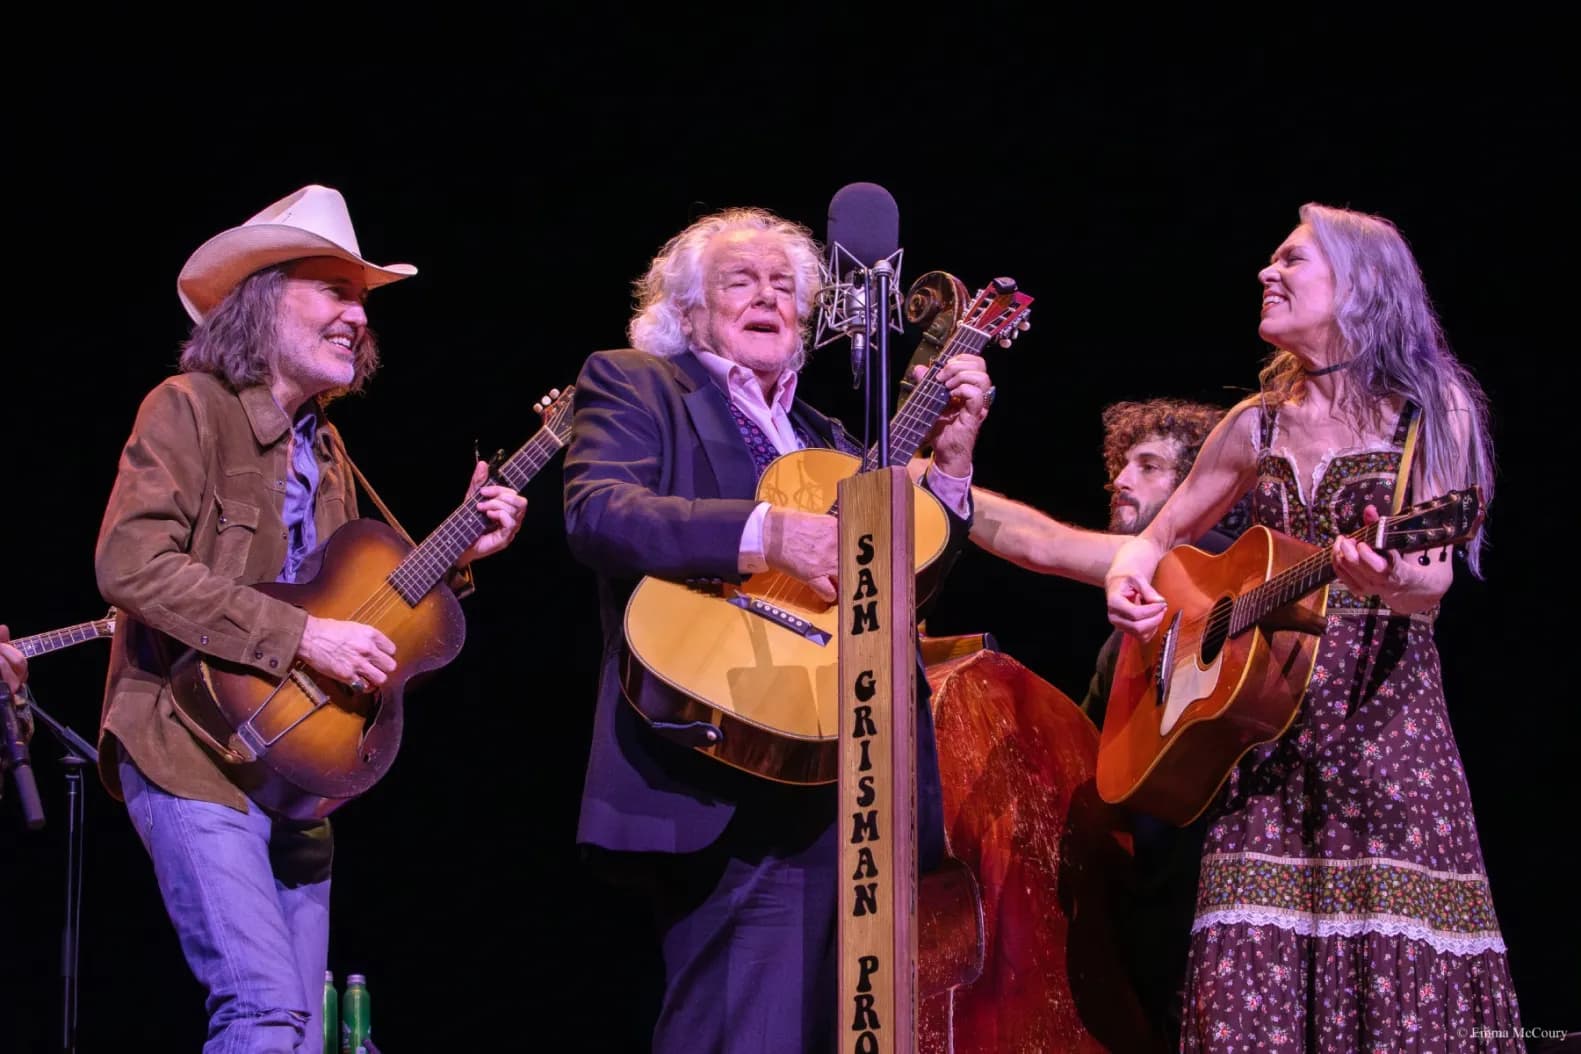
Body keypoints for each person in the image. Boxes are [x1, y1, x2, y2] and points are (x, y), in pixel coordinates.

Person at [93, 184, 527, 1052]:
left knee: (301, 1031)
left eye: (363, 300)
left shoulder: (326, 449)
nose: (358, 316)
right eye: (335, 290)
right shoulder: (188, 407)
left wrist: (465, 556)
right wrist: (303, 638)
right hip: (188, 745)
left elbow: (362, 597)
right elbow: (131, 564)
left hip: (296, 771)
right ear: (262, 299)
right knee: (262, 1011)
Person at [562, 206, 992, 1052]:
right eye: (740, 281)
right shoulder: (638, 383)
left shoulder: (828, 435)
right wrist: (767, 535)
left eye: (785, 285)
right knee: (740, 1025)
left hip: (846, 759)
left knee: (842, 1026)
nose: (768, 296)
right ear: (686, 312)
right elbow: (598, 513)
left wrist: (949, 469)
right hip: (716, 740)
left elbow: (901, 588)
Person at [1105, 204, 1520, 1049]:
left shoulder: (1427, 406)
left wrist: (1389, 574)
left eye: (1291, 261)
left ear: (1361, 287)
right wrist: (1126, 578)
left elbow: (1429, 581)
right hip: (1259, 742)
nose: (1267, 273)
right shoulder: (1255, 421)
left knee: (1395, 979)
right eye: (1269, 260)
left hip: (1382, 730)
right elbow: (1157, 536)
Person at [970, 397, 1247, 1049]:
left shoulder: (1211, 573)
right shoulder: (1140, 608)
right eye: (1119, 466)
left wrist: (941, 486)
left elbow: (1040, 544)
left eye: (1147, 466)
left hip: (1203, 884)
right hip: (1146, 894)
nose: (1120, 480)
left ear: (1198, 488)